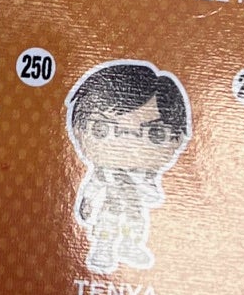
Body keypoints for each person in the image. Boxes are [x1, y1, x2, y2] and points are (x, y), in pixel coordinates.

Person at [66, 61, 191, 275]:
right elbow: (93, 186)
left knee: (135, 224)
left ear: (177, 139)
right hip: (110, 206)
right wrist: (87, 202)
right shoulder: (105, 173)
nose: (126, 141)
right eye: (102, 128)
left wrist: (144, 191)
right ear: (78, 129)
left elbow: (151, 194)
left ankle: (130, 245)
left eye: (154, 134)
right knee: (106, 226)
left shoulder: (144, 175)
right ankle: (103, 249)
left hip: (135, 209)